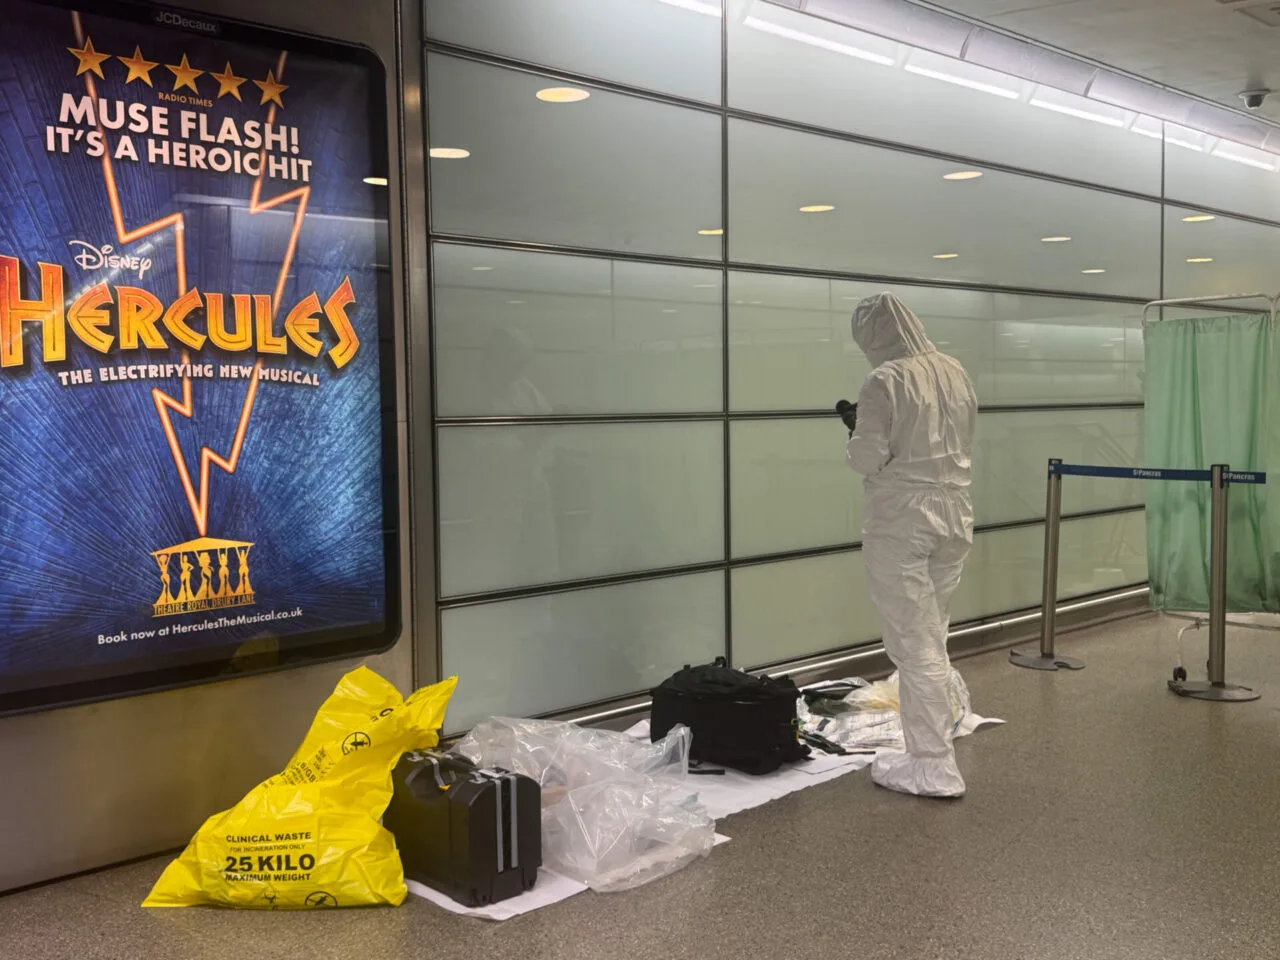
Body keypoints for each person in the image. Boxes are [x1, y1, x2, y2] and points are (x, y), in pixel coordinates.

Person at [844, 292, 977, 798]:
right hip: (955, 512)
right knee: (931, 629)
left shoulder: (885, 379)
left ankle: (932, 764)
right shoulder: (954, 370)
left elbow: (866, 458)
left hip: (903, 518)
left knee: (912, 640)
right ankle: (938, 727)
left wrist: (853, 430)